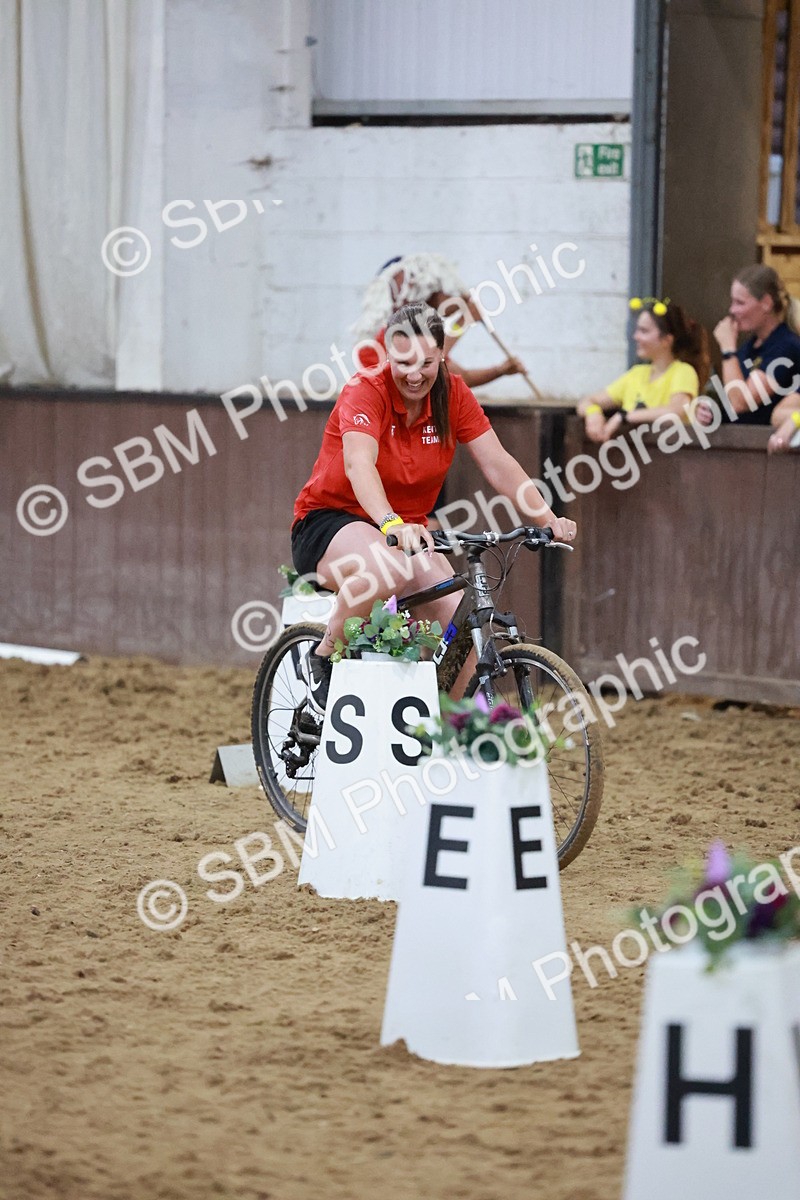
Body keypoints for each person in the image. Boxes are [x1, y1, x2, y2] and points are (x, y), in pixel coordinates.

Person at [292, 301, 576, 715]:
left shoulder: (453, 393)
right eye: (403, 362)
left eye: (426, 362)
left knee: (462, 639)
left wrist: (548, 521)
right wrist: (390, 523)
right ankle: (323, 654)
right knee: (389, 564)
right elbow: (358, 464)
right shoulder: (365, 389)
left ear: (443, 356)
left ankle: (451, 741)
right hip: (332, 522)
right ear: (387, 355)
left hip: (406, 534)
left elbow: (499, 464)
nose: (414, 374)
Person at [351, 252, 525, 388]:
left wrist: (500, 370)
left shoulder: (422, 334)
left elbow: (459, 377)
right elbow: (427, 361)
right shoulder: (383, 339)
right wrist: (464, 322)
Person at [576, 299, 709, 443]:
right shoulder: (636, 374)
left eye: (644, 331)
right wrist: (593, 413)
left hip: (672, 461)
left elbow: (675, 411)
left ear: (666, 340)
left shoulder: (683, 372)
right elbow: (587, 401)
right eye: (637, 330)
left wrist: (624, 416)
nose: (636, 337)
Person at [697, 264, 800, 445]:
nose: (732, 310)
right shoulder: (748, 348)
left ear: (766, 303)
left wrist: (728, 349)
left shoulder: (787, 347)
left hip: (771, 452)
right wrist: (712, 412)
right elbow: (732, 404)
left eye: (740, 303)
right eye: (733, 302)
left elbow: (741, 403)